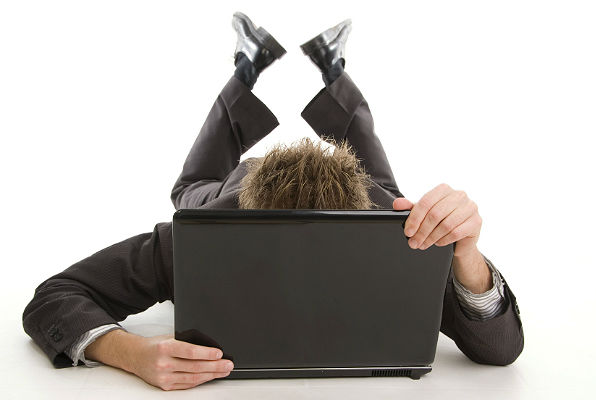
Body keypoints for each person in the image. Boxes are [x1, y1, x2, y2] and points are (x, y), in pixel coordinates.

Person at [22, 12, 523, 391]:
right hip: (230, 194)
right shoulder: (199, 231)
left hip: (366, 199)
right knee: (192, 186)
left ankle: (328, 66)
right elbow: (55, 296)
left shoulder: (388, 227)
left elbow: (500, 349)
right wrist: (126, 352)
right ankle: (250, 65)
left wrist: (467, 255)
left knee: (382, 184)